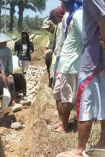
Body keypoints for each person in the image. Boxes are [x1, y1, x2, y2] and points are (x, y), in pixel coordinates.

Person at [58, 0, 105, 156]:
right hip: (98, 60)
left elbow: (103, 17)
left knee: (85, 102)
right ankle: (103, 142)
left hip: (93, 60)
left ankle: (80, 149)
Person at [53, 0, 83, 133]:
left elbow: (86, 36)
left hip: (70, 62)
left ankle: (64, 126)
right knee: (58, 94)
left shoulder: (78, 15)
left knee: (66, 96)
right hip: (64, 61)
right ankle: (61, 123)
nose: (62, 4)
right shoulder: (72, 15)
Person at [0, 33, 17, 106]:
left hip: (6, 71)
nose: (5, 43)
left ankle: (13, 99)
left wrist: (10, 72)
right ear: (0, 42)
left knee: (11, 81)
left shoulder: (8, 50)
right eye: (3, 42)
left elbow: (10, 62)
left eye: (6, 42)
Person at [42, 18, 57, 87]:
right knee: (47, 57)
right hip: (52, 48)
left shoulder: (58, 30)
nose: (47, 30)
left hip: (57, 49)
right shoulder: (50, 33)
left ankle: (53, 79)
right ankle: (49, 76)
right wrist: (46, 48)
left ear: (52, 26)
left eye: (48, 28)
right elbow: (49, 41)